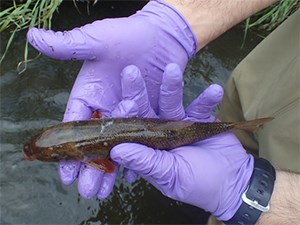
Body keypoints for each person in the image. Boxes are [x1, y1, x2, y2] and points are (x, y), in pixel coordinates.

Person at [26, 0, 299, 224]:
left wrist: (250, 196)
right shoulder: (91, 127)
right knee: (230, 124)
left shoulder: (88, 151)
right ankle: (235, 141)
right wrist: (181, 21)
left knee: (213, 173)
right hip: (280, 68)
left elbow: (106, 163)